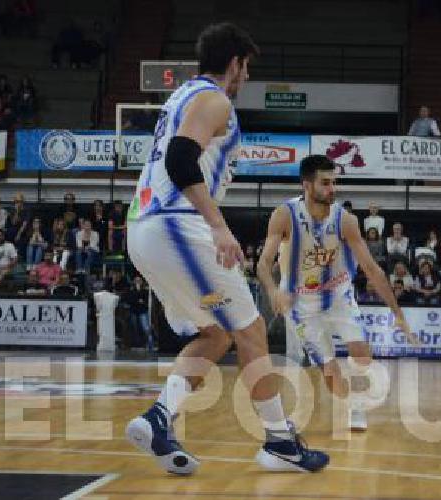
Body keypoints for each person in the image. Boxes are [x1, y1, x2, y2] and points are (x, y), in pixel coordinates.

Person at [122, 22, 328, 475]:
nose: (247, 77)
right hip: (178, 227)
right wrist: (218, 226)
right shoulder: (214, 100)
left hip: (144, 230)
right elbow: (180, 159)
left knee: (216, 332)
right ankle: (280, 443)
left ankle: (159, 418)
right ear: (235, 63)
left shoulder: (178, 98)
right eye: (247, 67)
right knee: (251, 328)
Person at [256, 154, 414, 432]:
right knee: (329, 371)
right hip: (300, 304)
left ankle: (357, 403)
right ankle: (353, 404)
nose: (333, 189)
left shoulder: (346, 220)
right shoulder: (284, 215)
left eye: (334, 182)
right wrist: (271, 290)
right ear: (307, 185)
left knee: (362, 354)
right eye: (325, 183)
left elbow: (373, 270)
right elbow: (263, 263)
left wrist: (397, 313)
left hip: (338, 297)